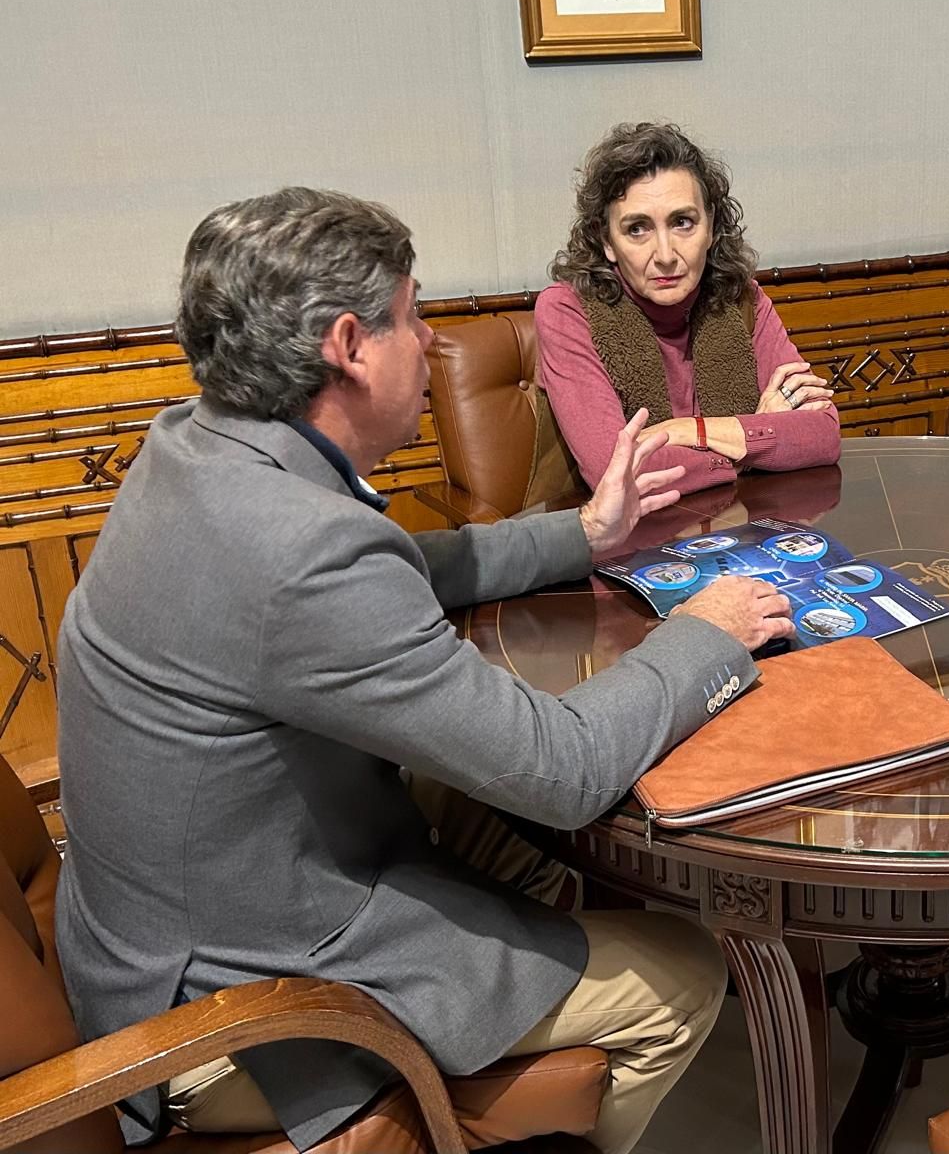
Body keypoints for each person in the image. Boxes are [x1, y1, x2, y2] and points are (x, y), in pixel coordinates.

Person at [53, 187, 795, 1154]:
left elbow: (399, 566)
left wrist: (584, 534)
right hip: (239, 1005)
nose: (431, 336)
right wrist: (709, 634)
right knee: (682, 976)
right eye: (413, 314)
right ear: (350, 345)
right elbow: (563, 772)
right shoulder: (298, 551)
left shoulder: (198, 448)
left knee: (487, 813)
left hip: (155, 926)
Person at [535, 121, 841, 496]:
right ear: (607, 242)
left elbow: (823, 435)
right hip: (621, 544)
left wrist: (686, 430)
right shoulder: (567, 310)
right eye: (637, 229)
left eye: (683, 222)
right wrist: (753, 439)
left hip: (738, 528)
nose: (665, 256)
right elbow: (613, 473)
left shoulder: (741, 299)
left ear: (711, 227)